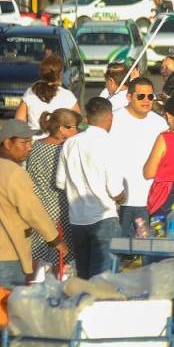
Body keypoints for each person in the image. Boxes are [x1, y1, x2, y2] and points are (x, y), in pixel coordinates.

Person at [58, 98, 124, 279]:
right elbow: (115, 190)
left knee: (84, 277)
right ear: (110, 118)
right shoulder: (109, 143)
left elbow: (60, 182)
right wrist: (122, 197)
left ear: (87, 118)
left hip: (77, 220)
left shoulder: (70, 143)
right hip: (103, 219)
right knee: (103, 281)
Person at [0, 120, 68, 286]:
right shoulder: (13, 173)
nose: (29, 147)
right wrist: (55, 240)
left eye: (30, 142)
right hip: (8, 254)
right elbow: (33, 212)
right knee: (8, 307)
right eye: (24, 143)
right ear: (7, 143)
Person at [110, 77, 169, 238]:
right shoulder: (113, 120)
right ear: (129, 97)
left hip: (150, 200)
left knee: (146, 255)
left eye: (150, 96)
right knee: (118, 255)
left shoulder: (160, 123)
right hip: (120, 201)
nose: (146, 100)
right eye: (141, 96)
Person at [26, 109, 79, 272]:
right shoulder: (64, 150)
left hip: (37, 209)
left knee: (35, 254)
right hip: (60, 209)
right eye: (73, 127)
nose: (77, 131)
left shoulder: (35, 146)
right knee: (60, 257)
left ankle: (30, 287)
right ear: (62, 129)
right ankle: (57, 288)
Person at [15, 52, 80, 129]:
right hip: (60, 139)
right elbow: (78, 120)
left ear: (42, 73)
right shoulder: (67, 96)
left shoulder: (30, 92)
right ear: (61, 74)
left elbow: (19, 121)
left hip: (34, 139)